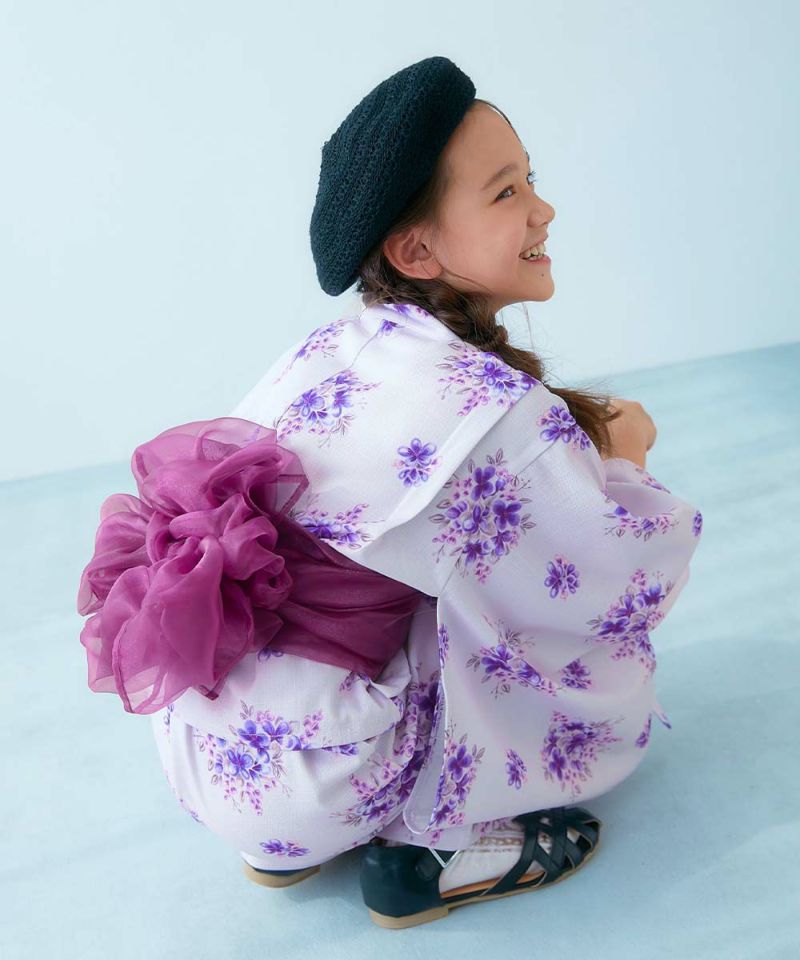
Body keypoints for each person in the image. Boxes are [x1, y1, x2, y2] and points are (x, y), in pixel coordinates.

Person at [77, 56, 703, 929]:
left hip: (204, 749)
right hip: (331, 770)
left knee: (409, 571)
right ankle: (429, 852)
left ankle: (282, 849)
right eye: (506, 192)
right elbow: (614, 579)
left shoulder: (331, 351)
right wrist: (627, 461)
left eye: (531, 179)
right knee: (507, 614)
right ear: (416, 249)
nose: (544, 209)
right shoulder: (499, 410)